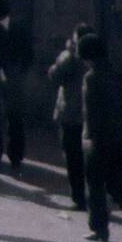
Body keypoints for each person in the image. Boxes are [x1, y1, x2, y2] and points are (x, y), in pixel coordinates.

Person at [79, 33, 122, 242]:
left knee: (95, 185)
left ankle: (99, 228)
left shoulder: (91, 77)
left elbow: (91, 112)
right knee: (116, 184)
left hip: (101, 139)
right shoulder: (118, 72)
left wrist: (88, 137)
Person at [0, 0, 33, 172]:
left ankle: (16, 158)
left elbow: (28, 54)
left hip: (13, 82)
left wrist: (19, 74)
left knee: (14, 119)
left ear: (0, 10)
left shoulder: (18, 29)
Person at [48, 23, 94, 211]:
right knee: (87, 158)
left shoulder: (70, 58)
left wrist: (63, 56)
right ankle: (92, 194)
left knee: (72, 157)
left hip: (70, 113)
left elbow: (54, 75)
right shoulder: (95, 56)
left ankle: (78, 197)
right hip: (87, 114)